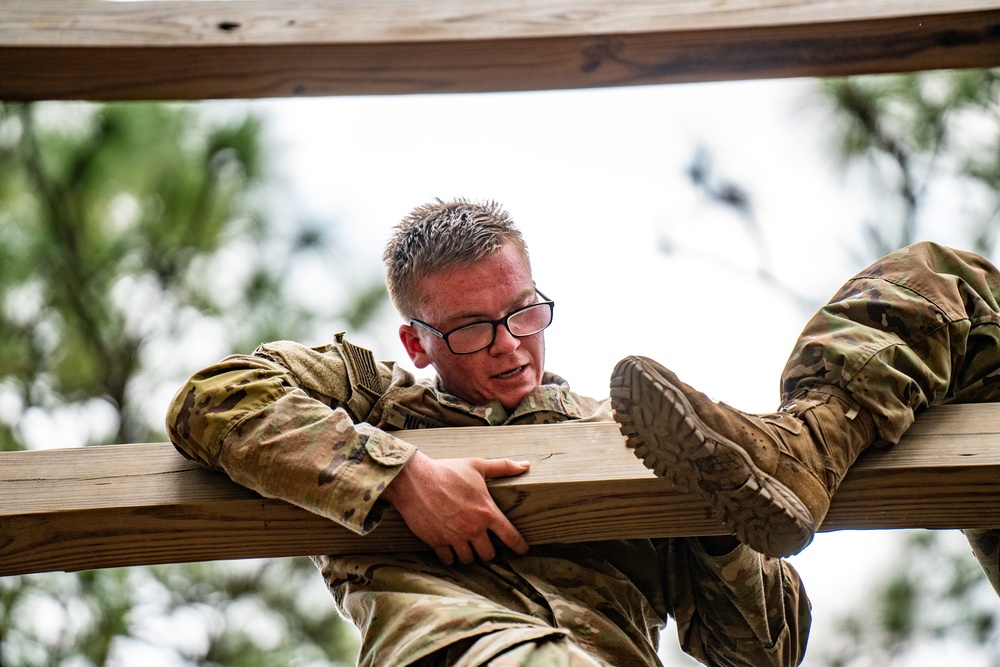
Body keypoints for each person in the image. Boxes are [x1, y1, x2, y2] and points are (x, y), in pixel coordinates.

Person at [167, 199, 810, 666]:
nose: (509, 347)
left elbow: (764, 654)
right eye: (471, 328)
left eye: (523, 313)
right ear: (416, 344)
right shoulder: (370, 403)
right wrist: (400, 477)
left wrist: (723, 527)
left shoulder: (635, 434)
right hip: (451, 651)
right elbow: (213, 400)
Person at [610, 240, 1000, 595]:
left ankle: (812, 443)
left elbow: (768, 650)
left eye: (544, 302)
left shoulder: (604, 424)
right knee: (959, 285)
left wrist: (720, 534)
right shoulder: (620, 430)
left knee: (954, 282)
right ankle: (811, 442)